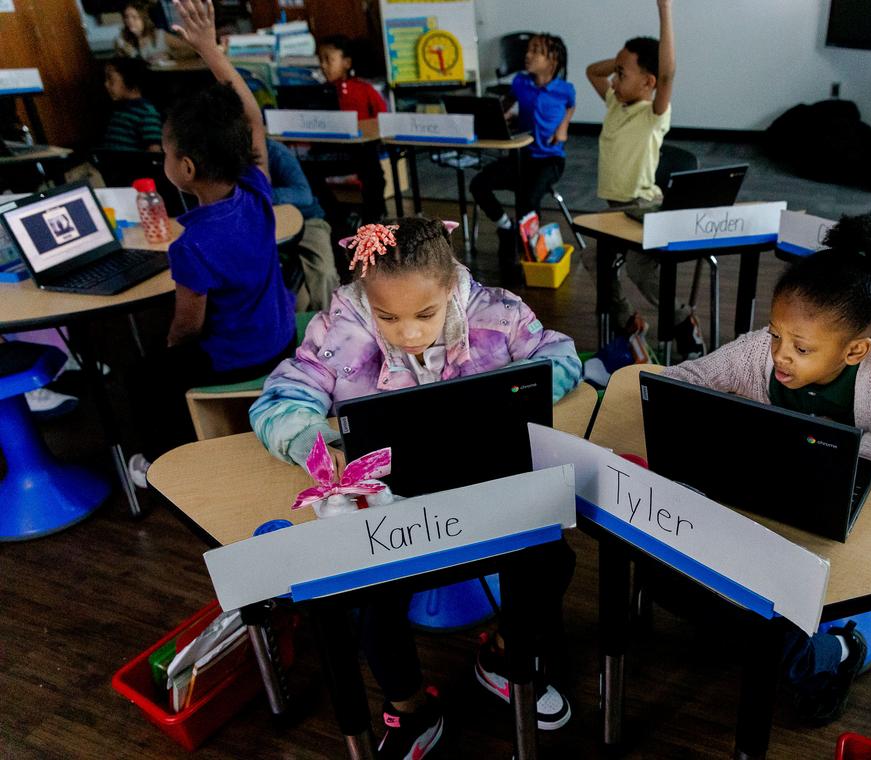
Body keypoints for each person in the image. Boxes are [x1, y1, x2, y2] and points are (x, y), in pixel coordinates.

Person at [249, 217, 583, 758]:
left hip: (483, 486)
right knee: (372, 605)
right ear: (366, 300)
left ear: (451, 286)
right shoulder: (340, 328)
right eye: (387, 317)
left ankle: (500, 655)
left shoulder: (495, 312)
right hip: (390, 507)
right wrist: (322, 444)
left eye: (425, 314)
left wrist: (521, 392)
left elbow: (561, 357)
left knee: (553, 562)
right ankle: (409, 705)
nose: (408, 334)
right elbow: (280, 401)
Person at [662, 213, 871, 724]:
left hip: (841, 534)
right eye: (776, 336)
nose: (781, 357)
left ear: (855, 349)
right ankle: (777, 640)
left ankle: (839, 651)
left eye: (802, 348)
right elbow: (678, 382)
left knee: (766, 628)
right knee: (667, 582)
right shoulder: (756, 356)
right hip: (768, 512)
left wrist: (854, 445)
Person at [126, 0, 295, 487]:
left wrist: (170, 343)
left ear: (187, 170)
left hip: (244, 356)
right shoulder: (255, 190)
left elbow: (188, 326)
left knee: (142, 378)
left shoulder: (192, 244)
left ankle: (162, 465)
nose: (164, 159)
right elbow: (254, 120)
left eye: (166, 152)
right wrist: (209, 51)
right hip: (279, 334)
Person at [584, 0, 703, 359]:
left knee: (638, 267)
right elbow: (593, 71)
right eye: (617, 73)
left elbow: (666, 75)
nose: (615, 79)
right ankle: (629, 322)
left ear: (648, 82)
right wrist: (622, 61)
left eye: (623, 73)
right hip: (615, 211)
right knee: (594, 260)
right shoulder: (614, 103)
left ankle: (684, 324)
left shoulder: (653, 114)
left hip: (644, 207)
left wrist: (664, 11)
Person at [469, 33, 574, 281]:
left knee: (527, 199)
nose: (528, 55)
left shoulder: (565, 90)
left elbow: (570, 106)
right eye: (528, 50)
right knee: (479, 184)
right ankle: (506, 226)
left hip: (550, 160)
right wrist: (501, 116)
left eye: (536, 51)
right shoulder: (520, 82)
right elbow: (504, 105)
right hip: (520, 156)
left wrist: (563, 127)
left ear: (553, 60)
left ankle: (528, 259)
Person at [266, 138, 340, 312]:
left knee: (324, 272)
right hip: (265, 228)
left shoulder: (275, 152)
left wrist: (261, 195)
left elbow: (303, 194)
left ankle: (335, 329)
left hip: (307, 220)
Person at [317, 35, 388, 120]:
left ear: (347, 63)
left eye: (328, 60)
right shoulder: (321, 92)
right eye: (321, 60)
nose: (323, 65)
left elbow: (383, 119)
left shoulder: (365, 90)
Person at [100, 57, 163, 152]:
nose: (106, 84)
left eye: (111, 80)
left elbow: (154, 151)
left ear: (130, 81)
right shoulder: (120, 110)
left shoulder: (146, 113)